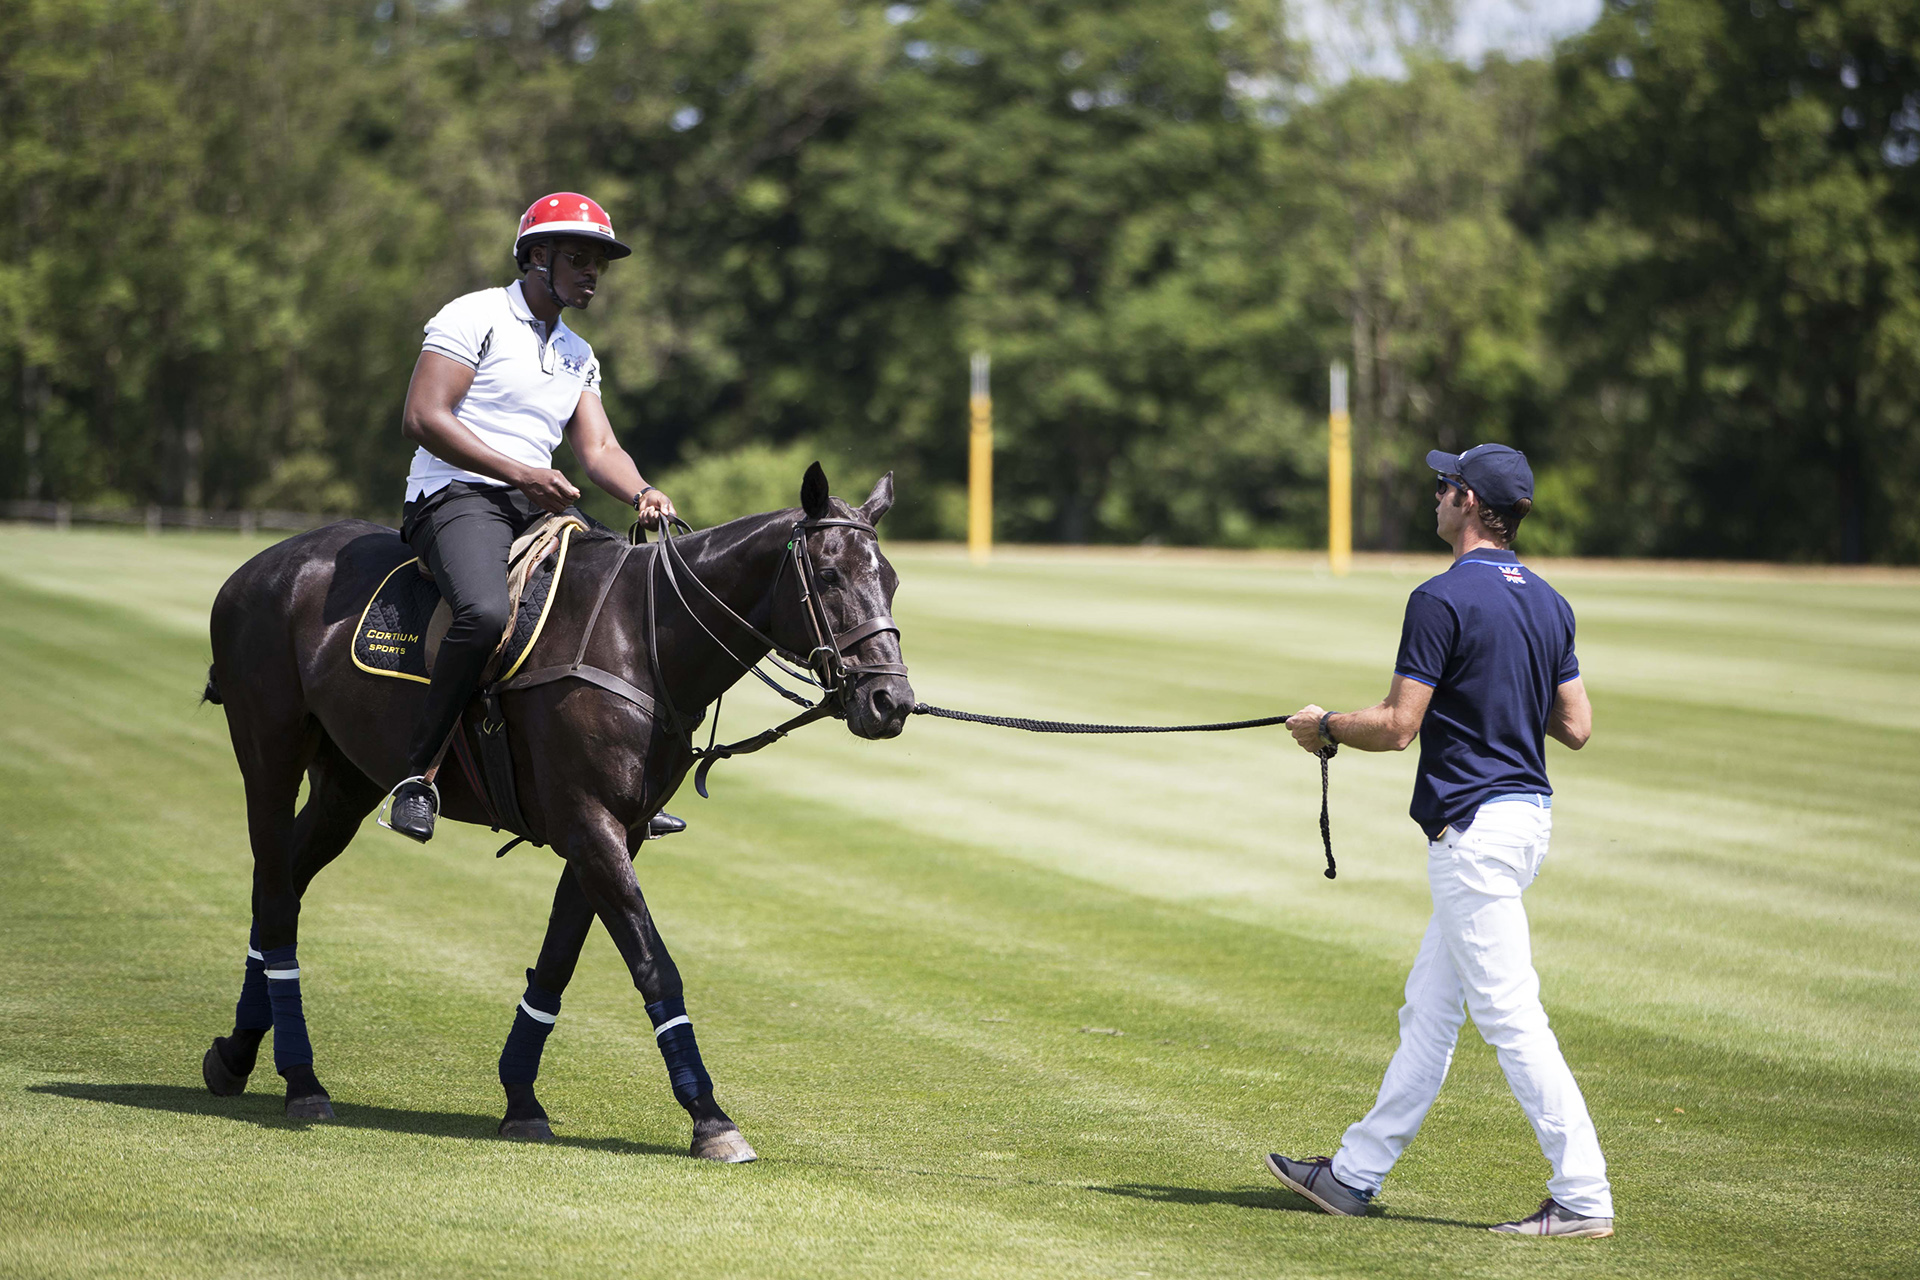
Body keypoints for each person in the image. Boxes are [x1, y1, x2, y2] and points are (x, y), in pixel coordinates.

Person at [1264, 443, 1614, 1239]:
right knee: (1429, 1010)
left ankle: (1584, 1194)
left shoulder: (1440, 597)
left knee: (1511, 1018)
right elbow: (1578, 727)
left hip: (1476, 832)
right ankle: (1352, 1176)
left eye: (1443, 485)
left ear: (1466, 501)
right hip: (1524, 824)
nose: (1435, 495)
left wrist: (1323, 728)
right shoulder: (1551, 602)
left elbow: (1395, 728)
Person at [384, 193, 680, 844]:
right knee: (485, 614)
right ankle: (418, 776)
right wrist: (519, 472)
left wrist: (641, 492)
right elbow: (424, 417)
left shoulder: (578, 352)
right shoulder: (476, 316)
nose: (592, 272)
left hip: (533, 505)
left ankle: (628, 781)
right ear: (536, 257)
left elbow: (598, 449)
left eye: (599, 261)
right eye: (579, 258)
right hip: (455, 496)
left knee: (628, 601)